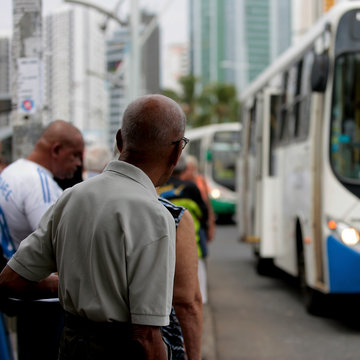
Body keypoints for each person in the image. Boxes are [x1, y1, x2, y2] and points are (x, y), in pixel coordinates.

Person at [0, 94, 187, 360]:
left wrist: (67, 285)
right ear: (177, 151)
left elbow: (10, 280)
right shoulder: (155, 216)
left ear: (120, 140)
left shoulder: (71, 197)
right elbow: (146, 337)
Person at [0, 119, 84, 360]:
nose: (78, 163)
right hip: (45, 302)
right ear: (56, 150)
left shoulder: (14, 171)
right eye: (75, 155)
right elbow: (60, 246)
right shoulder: (40, 184)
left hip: (27, 295)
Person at [160, 155, 210, 304]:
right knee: (194, 293)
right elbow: (203, 214)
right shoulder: (191, 188)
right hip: (190, 245)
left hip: (163, 245)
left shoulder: (157, 187)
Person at [158, 197, 203, 360]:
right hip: (157, 343)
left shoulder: (75, 197)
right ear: (169, 168)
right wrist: (194, 356)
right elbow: (187, 302)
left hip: (82, 343)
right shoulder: (172, 214)